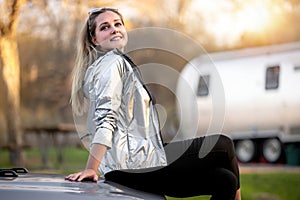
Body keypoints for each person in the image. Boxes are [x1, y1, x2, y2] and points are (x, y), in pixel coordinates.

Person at [65, 7, 241, 200]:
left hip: (140, 160)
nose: (114, 29)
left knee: (225, 180)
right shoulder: (111, 64)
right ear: (94, 39)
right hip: (134, 165)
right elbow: (106, 118)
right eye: (105, 27)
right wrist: (92, 168)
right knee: (223, 145)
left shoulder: (116, 64)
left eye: (118, 24)